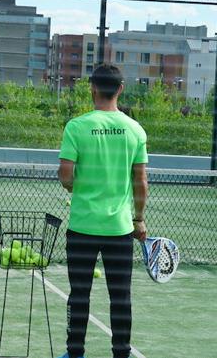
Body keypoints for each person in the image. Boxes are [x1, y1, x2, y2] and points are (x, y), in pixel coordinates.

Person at [56, 64, 148, 358]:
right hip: (120, 229)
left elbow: (66, 174)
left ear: (92, 88)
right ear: (120, 89)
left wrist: (73, 187)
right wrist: (139, 219)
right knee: (120, 298)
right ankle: (120, 353)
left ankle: (75, 353)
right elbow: (141, 182)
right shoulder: (135, 130)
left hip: (82, 226)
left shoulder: (77, 126)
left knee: (79, 295)